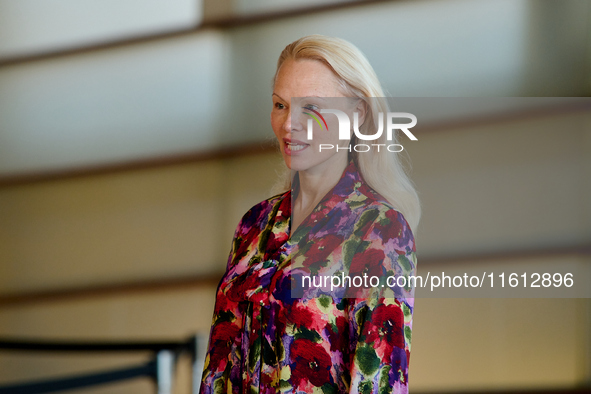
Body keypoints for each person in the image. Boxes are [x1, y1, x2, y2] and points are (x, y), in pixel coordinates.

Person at [200, 35, 420, 394]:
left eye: (311, 107)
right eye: (280, 105)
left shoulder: (379, 230)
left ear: (358, 114)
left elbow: (379, 380)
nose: (289, 124)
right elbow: (218, 367)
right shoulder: (254, 225)